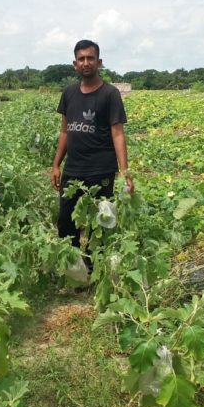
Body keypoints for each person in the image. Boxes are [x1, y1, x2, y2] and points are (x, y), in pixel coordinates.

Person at [51, 39, 134, 254]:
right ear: (74, 64)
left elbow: (117, 134)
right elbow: (65, 130)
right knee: (66, 223)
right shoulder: (69, 93)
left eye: (90, 58)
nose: (86, 62)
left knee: (102, 222)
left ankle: (97, 267)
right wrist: (56, 164)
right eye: (81, 59)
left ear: (99, 62)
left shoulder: (110, 94)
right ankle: (74, 270)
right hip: (73, 170)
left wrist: (125, 172)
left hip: (101, 170)